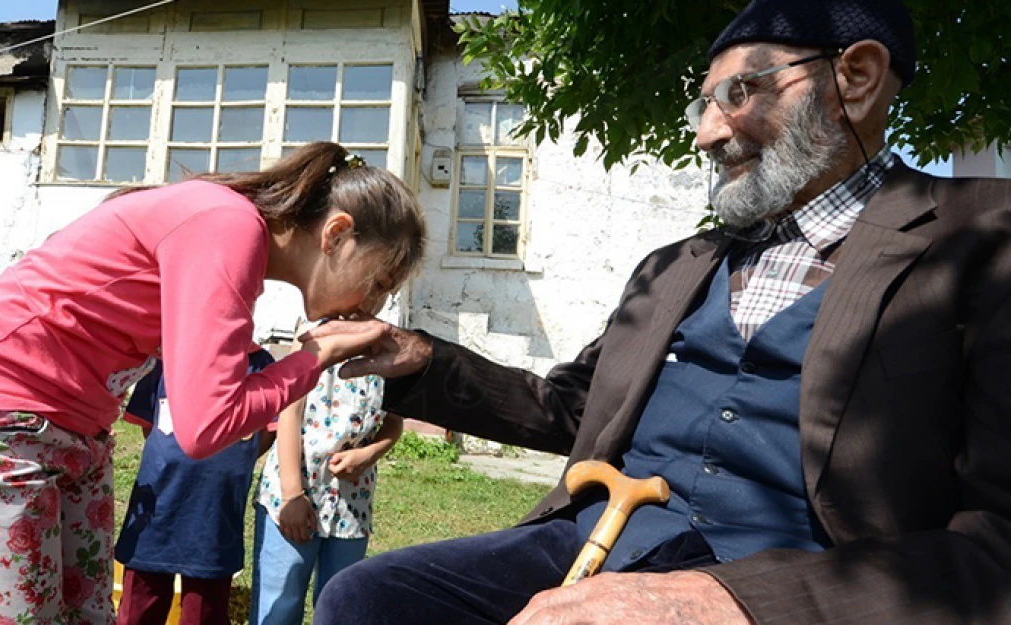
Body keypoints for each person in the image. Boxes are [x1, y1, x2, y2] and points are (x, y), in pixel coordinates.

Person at [308, 2, 1011, 624]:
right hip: (600, 534)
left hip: (799, 585)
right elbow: (573, 409)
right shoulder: (676, 265)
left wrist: (726, 601)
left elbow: (996, 542)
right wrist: (422, 359)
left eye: (738, 93)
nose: (706, 133)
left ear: (854, 78)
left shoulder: (983, 240)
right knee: (367, 599)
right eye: (701, 104)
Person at [0, 141, 426, 625]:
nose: (372, 306)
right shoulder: (229, 227)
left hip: (79, 434)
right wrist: (317, 354)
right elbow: (207, 425)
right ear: (336, 234)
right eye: (379, 281)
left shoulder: (234, 237)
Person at [249, 320, 403, 625]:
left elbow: (394, 422)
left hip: (351, 504)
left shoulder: (390, 345)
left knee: (341, 604)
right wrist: (293, 494)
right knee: (278, 606)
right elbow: (289, 413)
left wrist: (371, 453)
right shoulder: (311, 334)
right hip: (292, 496)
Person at [114, 345, 275, 625]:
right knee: (141, 604)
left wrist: (231, 461)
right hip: (157, 509)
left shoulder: (260, 364)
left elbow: (267, 432)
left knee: (204, 610)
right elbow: (148, 425)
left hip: (215, 512)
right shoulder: (168, 357)